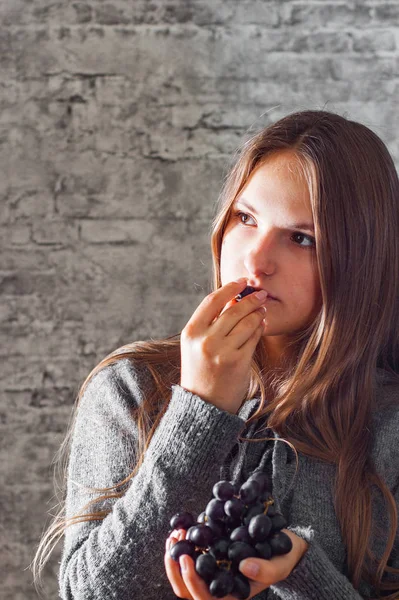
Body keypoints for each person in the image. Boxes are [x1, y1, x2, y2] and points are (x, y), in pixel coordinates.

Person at [31, 110, 399, 600]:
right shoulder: (132, 388)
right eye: (246, 218)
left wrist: (300, 571)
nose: (256, 260)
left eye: (302, 238)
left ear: (362, 259)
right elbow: (93, 593)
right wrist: (200, 412)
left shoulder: (389, 424)